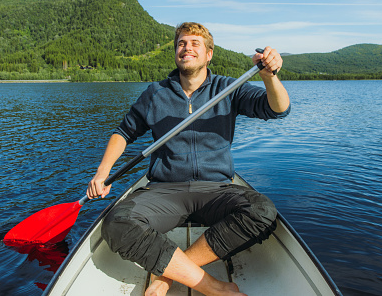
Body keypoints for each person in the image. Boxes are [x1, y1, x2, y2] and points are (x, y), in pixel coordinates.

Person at [87, 22, 290, 296]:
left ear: (209, 54)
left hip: (216, 190)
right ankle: (212, 286)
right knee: (116, 222)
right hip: (165, 191)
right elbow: (123, 132)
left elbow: (277, 109)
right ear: (176, 53)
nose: (187, 47)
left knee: (262, 211)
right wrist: (102, 172)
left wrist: (269, 77)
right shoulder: (155, 94)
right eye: (182, 43)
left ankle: (168, 277)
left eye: (195, 43)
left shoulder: (229, 88)